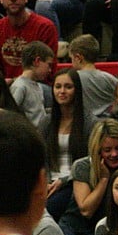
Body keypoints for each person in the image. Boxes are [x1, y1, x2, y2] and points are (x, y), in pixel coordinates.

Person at [59, 115, 118, 235]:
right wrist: (104, 179)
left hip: (103, 230)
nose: (114, 154)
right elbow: (86, 210)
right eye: (107, 150)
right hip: (73, 226)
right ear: (98, 150)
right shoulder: (83, 166)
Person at [41, 68, 94, 220]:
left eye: (68, 87)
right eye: (58, 87)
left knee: (48, 209)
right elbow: (38, 157)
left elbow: (91, 160)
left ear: (77, 90)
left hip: (76, 182)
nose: (62, 91)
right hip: (49, 182)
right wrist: (45, 182)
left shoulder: (90, 122)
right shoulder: (46, 122)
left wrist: (64, 181)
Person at [67, 33, 117, 116]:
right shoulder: (110, 78)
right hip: (106, 124)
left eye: (71, 59)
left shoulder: (71, 79)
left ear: (78, 58)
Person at [9, 40, 54, 129]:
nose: (50, 70)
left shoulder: (38, 86)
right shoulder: (20, 86)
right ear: (37, 61)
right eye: (49, 65)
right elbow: (10, 115)